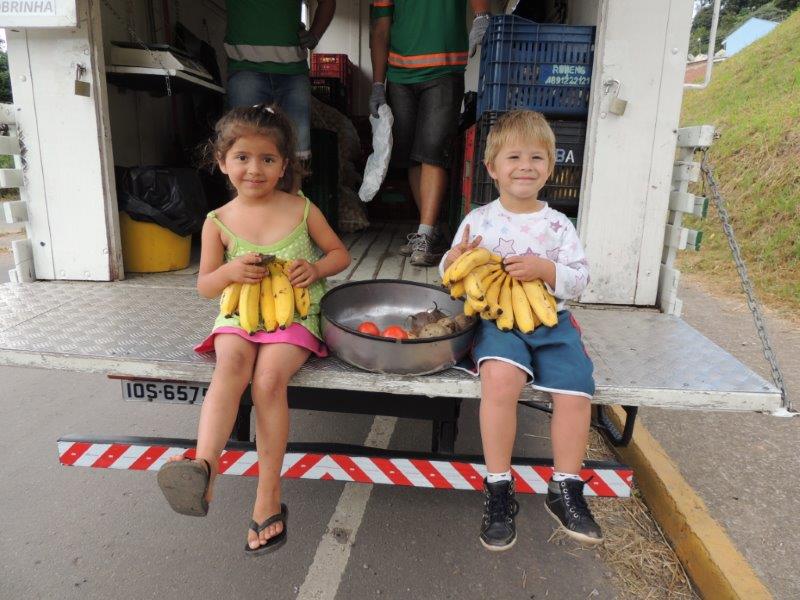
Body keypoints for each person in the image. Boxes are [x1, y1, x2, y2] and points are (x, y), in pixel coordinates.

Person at [156, 104, 351, 555]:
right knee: (232, 368)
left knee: (267, 381)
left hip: (294, 315)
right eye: (242, 157)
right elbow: (206, 285)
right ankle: (203, 468)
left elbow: (340, 254)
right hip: (239, 314)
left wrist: (314, 267)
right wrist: (230, 273)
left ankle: (268, 496)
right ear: (222, 161)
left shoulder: (302, 209)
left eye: (267, 159)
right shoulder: (217, 222)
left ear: (285, 165)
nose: (254, 169)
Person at [439, 110, 602, 551]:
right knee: (499, 379)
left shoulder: (557, 225)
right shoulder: (479, 220)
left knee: (575, 390)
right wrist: (453, 259)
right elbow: (449, 272)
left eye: (536, 157)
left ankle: (565, 486)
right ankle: (497, 486)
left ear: (551, 166)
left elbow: (581, 279)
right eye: (513, 157)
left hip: (552, 320)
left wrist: (546, 268)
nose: (525, 166)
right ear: (492, 168)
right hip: (498, 320)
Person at [369, 0, 491, 266]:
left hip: (444, 70)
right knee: (411, 156)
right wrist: (378, 83)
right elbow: (380, 28)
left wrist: (481, 14)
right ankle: (427, 231)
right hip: (399, 76)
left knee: (432, 152)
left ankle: (425, 233)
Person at [224, 0, 336, 178]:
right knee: (242, 153)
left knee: (296, 157)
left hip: (293, 73)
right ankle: (247, 206)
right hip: (247, 69)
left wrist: (315, 34)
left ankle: (290, 204)